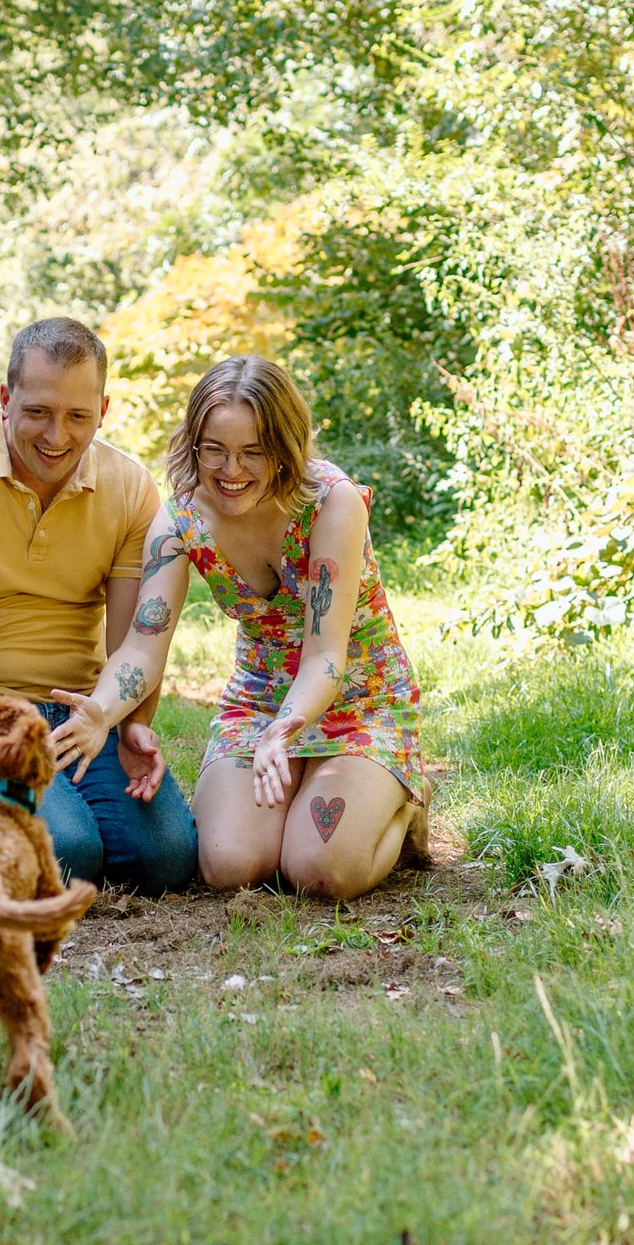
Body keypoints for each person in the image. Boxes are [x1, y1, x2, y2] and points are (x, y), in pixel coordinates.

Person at [48, 356, 431, 901]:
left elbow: (325, 654)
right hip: (259, 704)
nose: (231, 471)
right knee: (227, 865)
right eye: (215, 450)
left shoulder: (330, 503)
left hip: (357, 702)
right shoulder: (182, 521)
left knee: (320, 872)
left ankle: (406, 800)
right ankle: (303, 794)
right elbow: (143, 646)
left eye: (254, 451)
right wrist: (102, 710)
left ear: (284, 446)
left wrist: (287, 730)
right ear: (194, 444)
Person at [0, 316, 200, 893]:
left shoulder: (129, 487)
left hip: (82, 711)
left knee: (168, 860)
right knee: (70, 852)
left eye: (78, 416)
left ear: (103, 410)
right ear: (7, 399)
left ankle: (0, 813)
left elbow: (136, 642)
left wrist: (130, 723)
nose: (56, 435)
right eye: (38, 412)